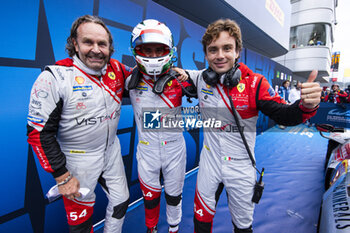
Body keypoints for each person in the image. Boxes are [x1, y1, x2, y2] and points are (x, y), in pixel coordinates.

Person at [185, 19, 322, 233]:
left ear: (238, 51)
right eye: (213, 50)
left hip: (240, 167)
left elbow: (285, 115)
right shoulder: (201, 78)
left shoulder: (256, 83)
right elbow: (180, 75)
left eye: (227, 48)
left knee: (242, 226)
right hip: (209, 161)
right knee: (200, 221)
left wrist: (307, 105)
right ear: (206, 54)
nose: (220, 55)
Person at [27, 15, 132, 233]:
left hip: (111, 151)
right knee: (81, 223)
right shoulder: (55, 77)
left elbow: (143, 81)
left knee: (122, 201)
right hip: (77, 159)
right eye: (88, 42)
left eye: (102, 44)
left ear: (110, 47)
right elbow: (38, 133)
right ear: (75, 43)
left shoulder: (117, 69)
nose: (96, 49)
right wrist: (62, 176)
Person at [126, 19, 193, 233]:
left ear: (169, 51)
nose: (153, 56)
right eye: (147, 50)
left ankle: (174, 228)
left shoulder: (182, 78)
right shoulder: (128, 80)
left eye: (159, 50)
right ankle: (151, 228)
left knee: (174, 195)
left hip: (174, 148)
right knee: (150, 196)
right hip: (146, 150)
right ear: (136, 50)